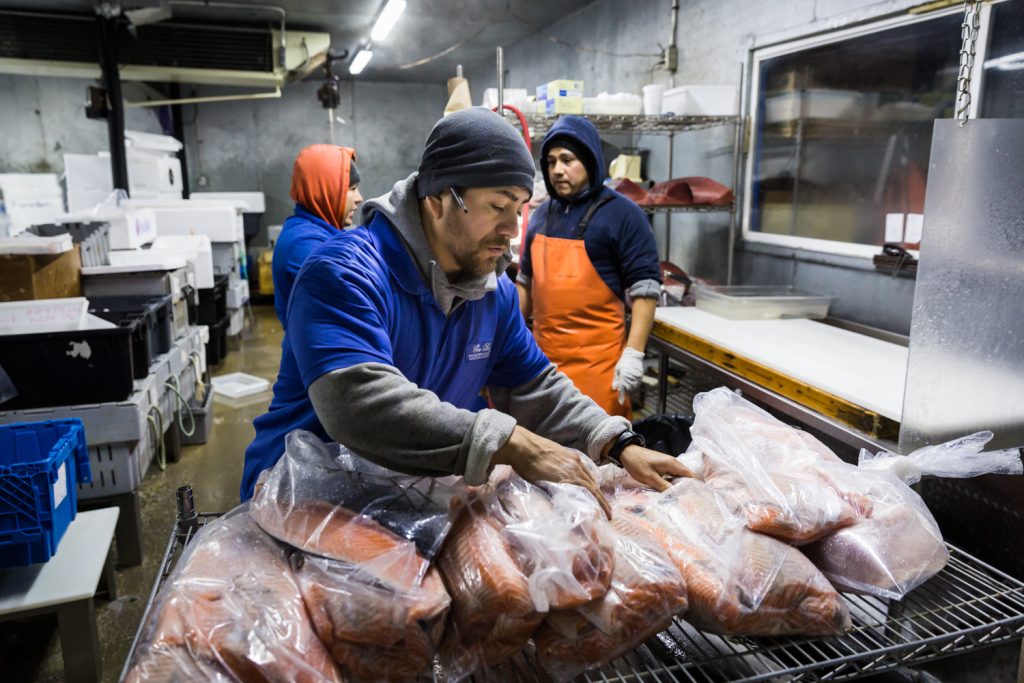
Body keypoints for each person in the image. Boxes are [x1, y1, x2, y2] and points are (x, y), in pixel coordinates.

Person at [241, 108, 687, 511]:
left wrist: (616, 441)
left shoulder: (493, 291)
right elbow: (358, 404)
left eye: (519, 209)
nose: (513, 230)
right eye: (498, 206)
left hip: (397, 500)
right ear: (438, 199)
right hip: (302, 502)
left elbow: (534, 385)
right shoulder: (343, 273)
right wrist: (512, 443)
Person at [516, 115, 661, 419]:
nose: (557, 170)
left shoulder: (623, 214)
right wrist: (511, 340)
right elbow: (525, 284)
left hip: (598, 372)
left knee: (601, 459)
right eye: (551, 161)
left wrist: (633, 354)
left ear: (590, 160)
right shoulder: (541, 216)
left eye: (567, 160)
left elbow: (645, 289)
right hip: (544, 370)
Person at [272, 144, 363, 325]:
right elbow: (355, 303)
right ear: (326, 191)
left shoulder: (319, 232)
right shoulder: (306, 245)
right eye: (352, 189)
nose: (359, 198)